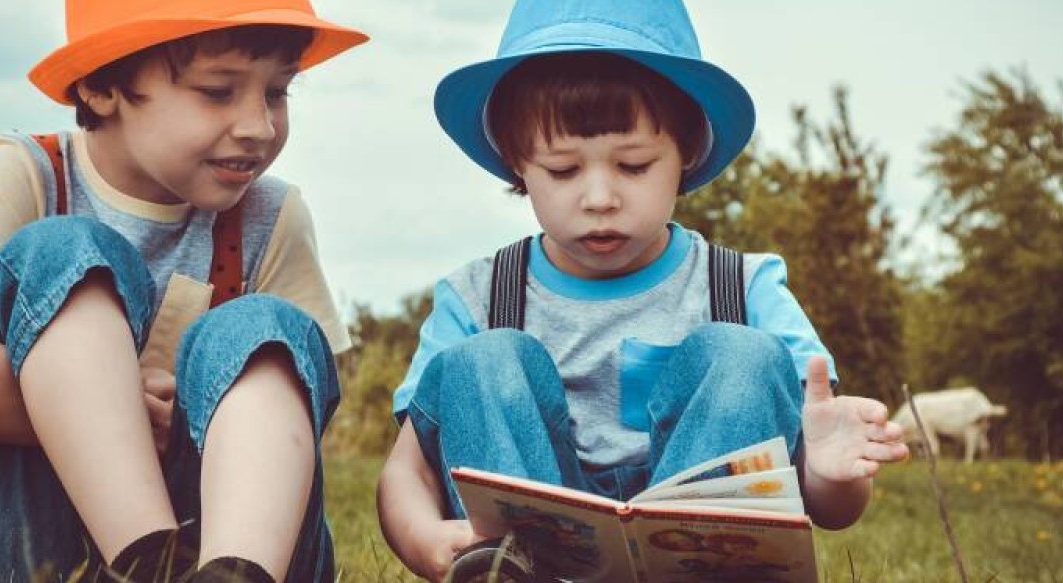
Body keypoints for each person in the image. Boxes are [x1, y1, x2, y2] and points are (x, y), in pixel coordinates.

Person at [374, 0, 909, 580]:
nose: (600, 197)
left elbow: (832, 508)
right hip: (536, 549)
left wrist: (828, 477)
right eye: (562, 170)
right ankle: (513, 570)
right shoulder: (476, 297)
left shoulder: (743, 287)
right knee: (481, 362)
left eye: (633, 166)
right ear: (517, 165)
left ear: (687, 156)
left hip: (700, 552)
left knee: (742, 354)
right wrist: (424, 538)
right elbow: (409, 472)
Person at [0, 1, 366, 581]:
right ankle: (147, 562)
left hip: (218, 535)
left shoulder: (270, 215)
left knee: (265, 331)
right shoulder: (32, 175)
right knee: (66, 252)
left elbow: (291, 418)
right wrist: (111, 407)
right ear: (101, 84)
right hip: (25, 548)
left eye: (278, 92)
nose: (258, 126)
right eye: (217, 91)